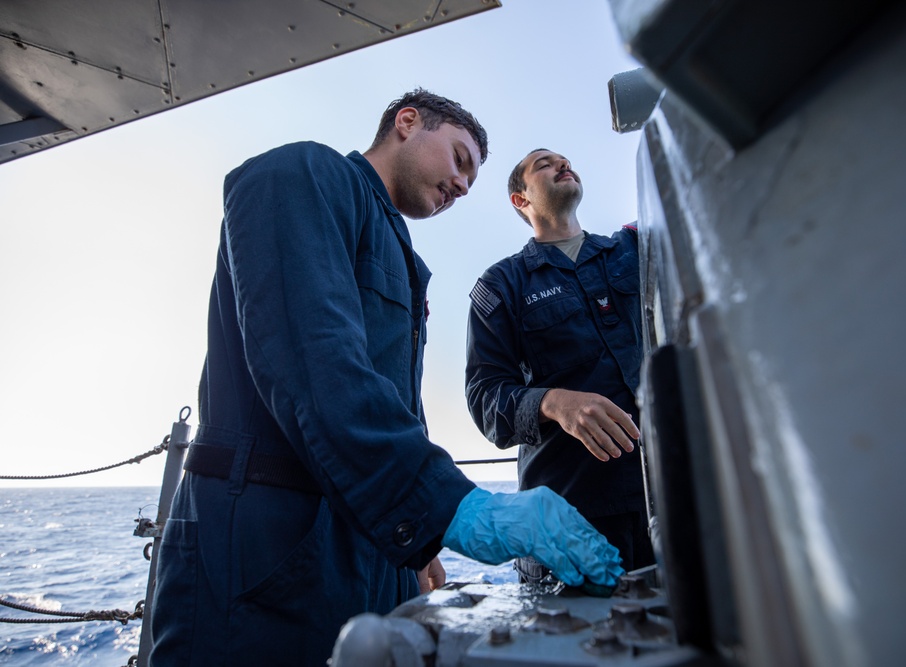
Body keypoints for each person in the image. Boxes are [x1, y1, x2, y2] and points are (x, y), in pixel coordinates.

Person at [148, 94, 623, 665]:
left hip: (368, 545)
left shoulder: (401, 255)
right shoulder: (300, 174)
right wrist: (448, 509)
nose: (465, 185)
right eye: (459, 158)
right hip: (264, 543)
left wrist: (415, 545)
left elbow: (394, 407)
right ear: (407, 123)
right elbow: (316, 366)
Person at [465, 148, 655, 584]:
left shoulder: (636, 249)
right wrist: (552, 402)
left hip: (671, 498)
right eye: (544, 164)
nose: (562, 164)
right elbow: (484, 399)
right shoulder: (502, 284)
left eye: (565, 160)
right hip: (569, 517)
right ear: (520, 199)